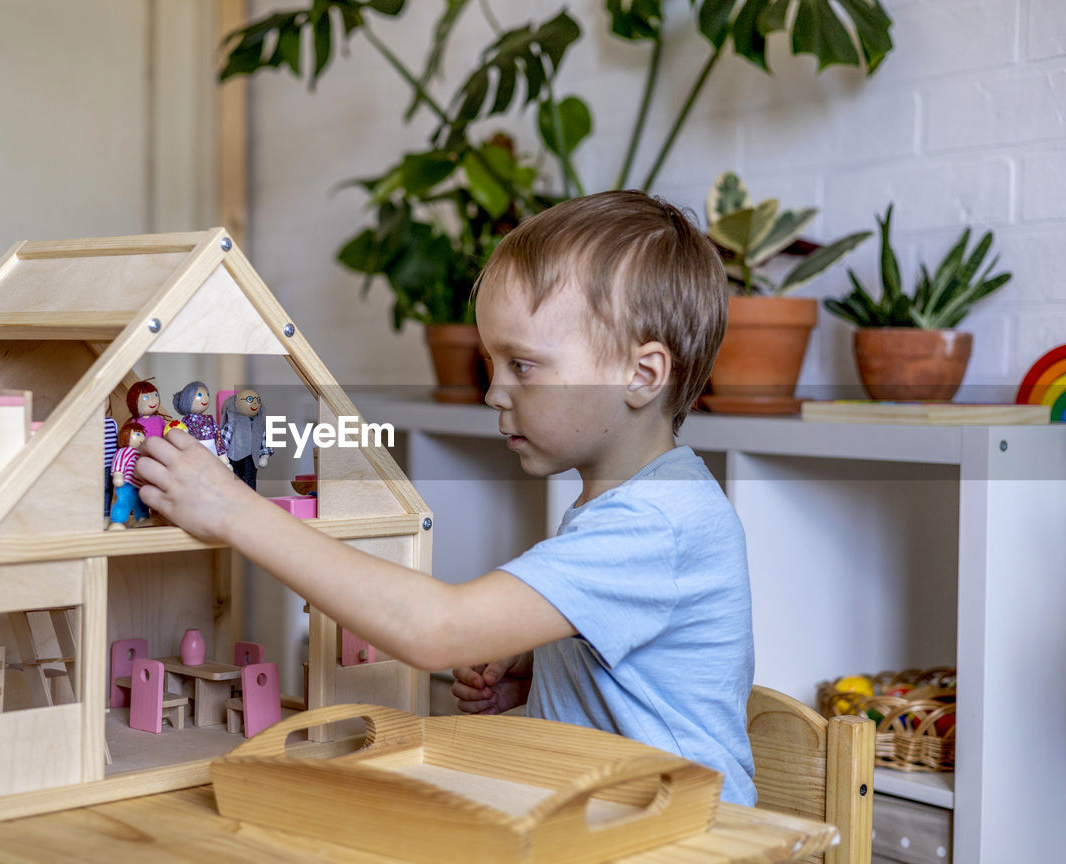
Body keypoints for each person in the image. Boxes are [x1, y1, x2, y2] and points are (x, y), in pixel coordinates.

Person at [134, 190, 755, 805]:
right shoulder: (640, 505)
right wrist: (555, 678)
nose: (495, 393)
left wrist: (233, 510)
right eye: (492, 363)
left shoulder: (658, 522)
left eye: (524, 365)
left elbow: (437, 629)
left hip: (695, 841)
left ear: (641, 376)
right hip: (622, 820)